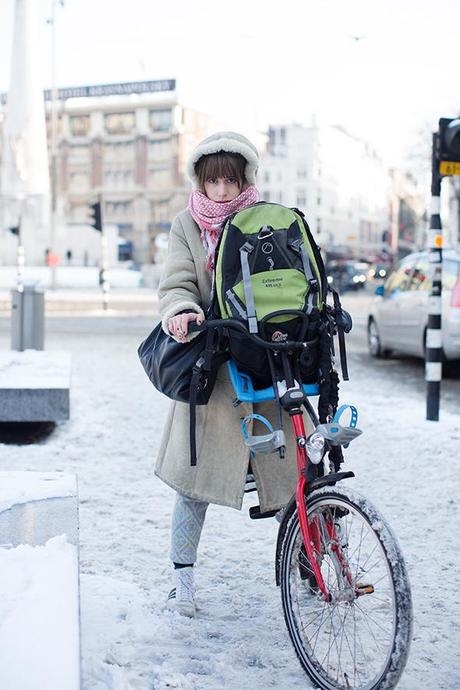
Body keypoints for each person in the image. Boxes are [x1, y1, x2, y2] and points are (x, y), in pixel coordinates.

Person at [156, 131, 313, 617]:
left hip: (267, 360)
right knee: (195, 480)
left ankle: (313, 561)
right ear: (199, 182)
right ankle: (183, 575)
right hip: (214, 367)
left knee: (294, 475)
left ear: (245, 178)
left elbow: (301, 273)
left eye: (230, 179)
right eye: (212, 181)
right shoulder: (186, 225)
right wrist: (182, 309)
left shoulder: (269, 220)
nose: (222, 190)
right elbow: (177, 280)